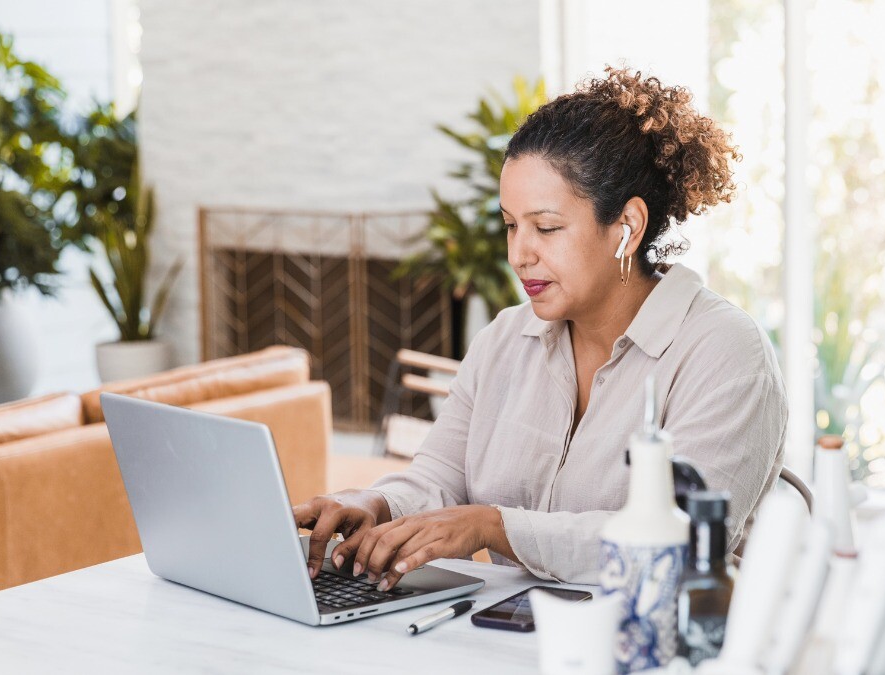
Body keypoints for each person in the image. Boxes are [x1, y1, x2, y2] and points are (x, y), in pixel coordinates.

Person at [293, 67, 787, 591]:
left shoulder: (726, 353)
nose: (518, 254)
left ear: (628, 227)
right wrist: (375, 502)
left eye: (546, 228)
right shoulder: (506, 339)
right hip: (510, 638)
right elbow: (439, 475)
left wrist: (494, 526)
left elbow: (679, 543)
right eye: (511, 225)